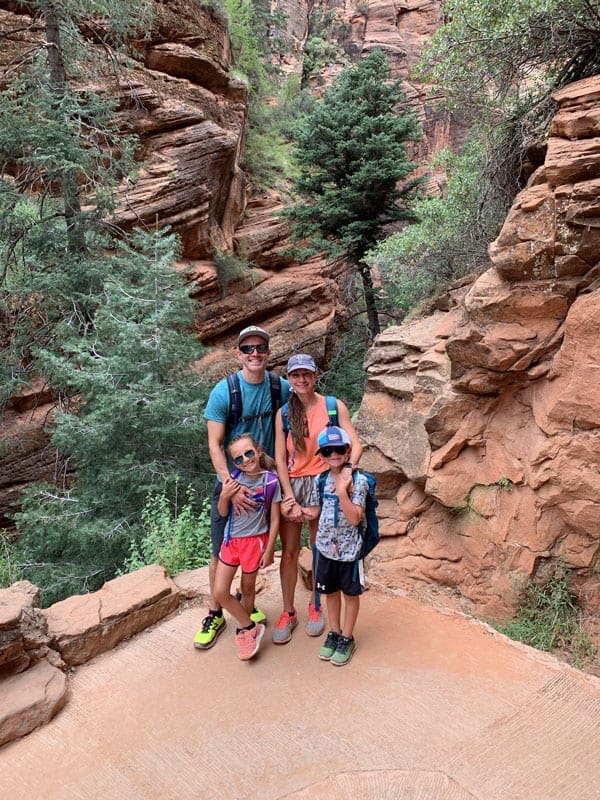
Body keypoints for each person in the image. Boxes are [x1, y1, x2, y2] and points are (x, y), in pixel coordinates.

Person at [194, 325, 290, 649]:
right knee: (219, 549)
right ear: (239, 354)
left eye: (260, 347)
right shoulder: (225, 392)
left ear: (268, 351)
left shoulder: (280, 388)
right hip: (231, 483)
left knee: (254, 546)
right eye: (247, 348)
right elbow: (214, 444)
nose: (255, 354)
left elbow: (307, 402)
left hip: (265, 484)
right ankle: (215, 611)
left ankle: (245, 606)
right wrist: (230, 486)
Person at [272, 354, 362, 645]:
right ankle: (288, 611)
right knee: (289, 551)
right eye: (295, 375)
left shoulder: (333, 407)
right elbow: (280, 457)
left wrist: (346, 473)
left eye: (306, 374)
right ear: (289, 379)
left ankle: (316, 605)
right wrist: (287, 496)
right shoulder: (284, 414)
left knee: (321, 548)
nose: (301, 380)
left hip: (325, 482)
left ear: (315, 375)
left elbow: (354, 444)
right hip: (294, 484)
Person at [302, 425, 368, 666]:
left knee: (350, 594)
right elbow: (317, 511)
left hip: (350, 551)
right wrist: (301, 512)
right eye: (327, 451)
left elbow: (354, 518)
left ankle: (347, 637)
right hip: (325, 549)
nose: (333, 454)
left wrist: (342, 491)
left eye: (338, 449)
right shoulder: (319, 480)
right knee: (329, 592)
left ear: (348, 450)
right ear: (321, 454)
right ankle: (335, 631)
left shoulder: (358, 482)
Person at [212, 434, 282, 660]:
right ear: (234, 463)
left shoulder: (271, 481)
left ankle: (245, 630)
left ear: (258, 451)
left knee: (248, 588)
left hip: (255, 541)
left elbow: (275, 519)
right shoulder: (233, 479)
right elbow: (223, 512)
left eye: (249, 453)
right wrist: (224, 495)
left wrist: (270, 548)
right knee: (220, 592)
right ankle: (250, 626)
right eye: (239, 458)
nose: (245, 460)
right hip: (231, 539)